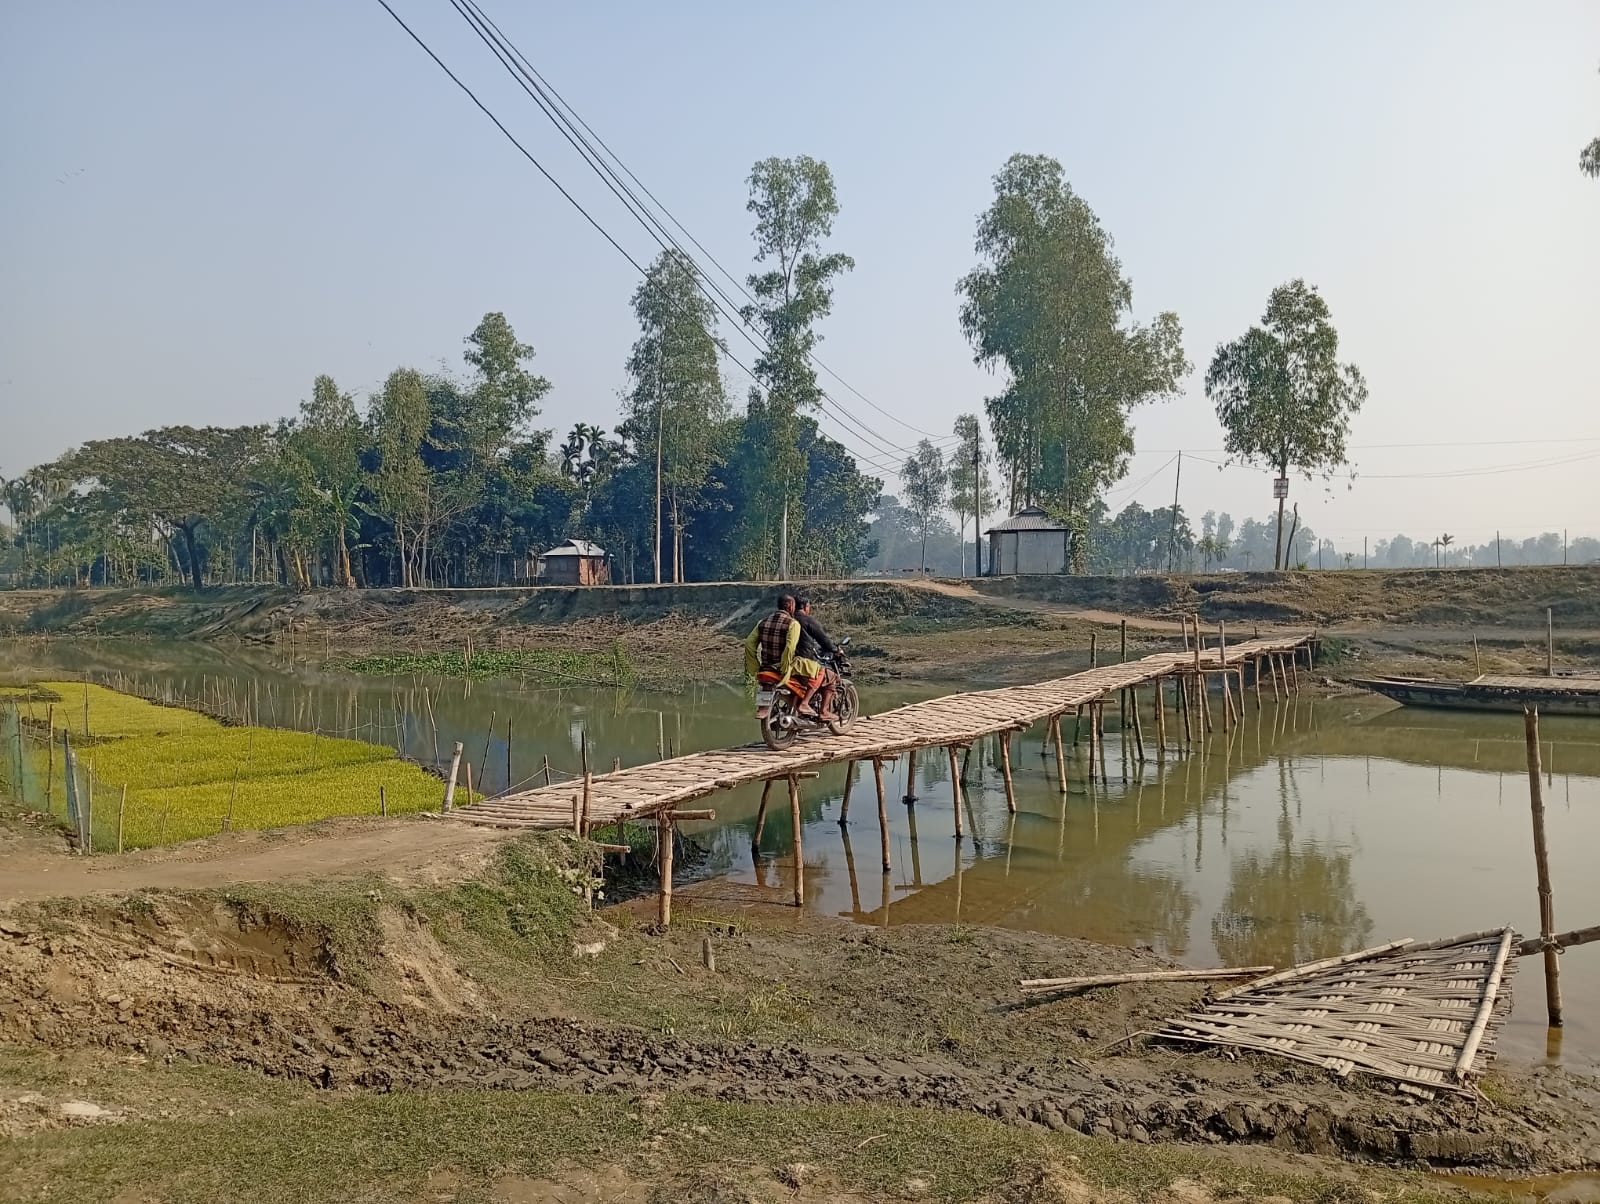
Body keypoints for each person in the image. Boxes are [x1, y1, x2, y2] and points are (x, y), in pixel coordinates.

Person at [743, 595, 827, 712]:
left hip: (766, 667)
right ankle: (805, 703)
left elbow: (749, 644)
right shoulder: (792, 624)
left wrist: (755, 667)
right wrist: (785, 669)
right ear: (790, 606)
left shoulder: (762, 622)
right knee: (820, 670)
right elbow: (790, 648)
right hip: (784, 667)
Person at [794, 597, 840, 719]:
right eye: (809, 606)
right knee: (830, 676)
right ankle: (823, 711)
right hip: (803, 659)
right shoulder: (807, 619)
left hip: (785, 660)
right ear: (805, 607)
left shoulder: (788, 618)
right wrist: (835, 649)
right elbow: (823, 638)